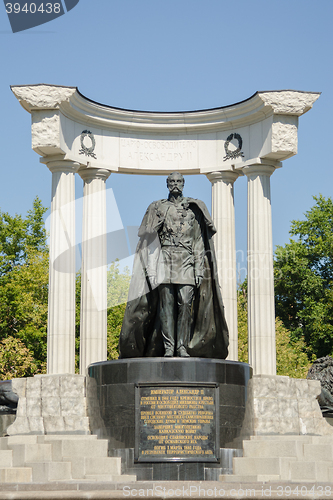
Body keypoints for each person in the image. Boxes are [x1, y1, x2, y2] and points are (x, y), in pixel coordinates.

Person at [119, 172, 229, 359]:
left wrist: (198, 268)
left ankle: (182, 347)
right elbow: (150, 240)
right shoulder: (158, 207)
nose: (175, 185)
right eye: (172, 182)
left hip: (186, 259)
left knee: (186, 303)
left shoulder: (194, 209)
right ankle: (170, 348)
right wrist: (152, 270)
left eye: (178, 181)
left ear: (183, 184)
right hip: (165, 259)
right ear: (167, 184)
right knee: (166, 306)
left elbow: (198, 241)